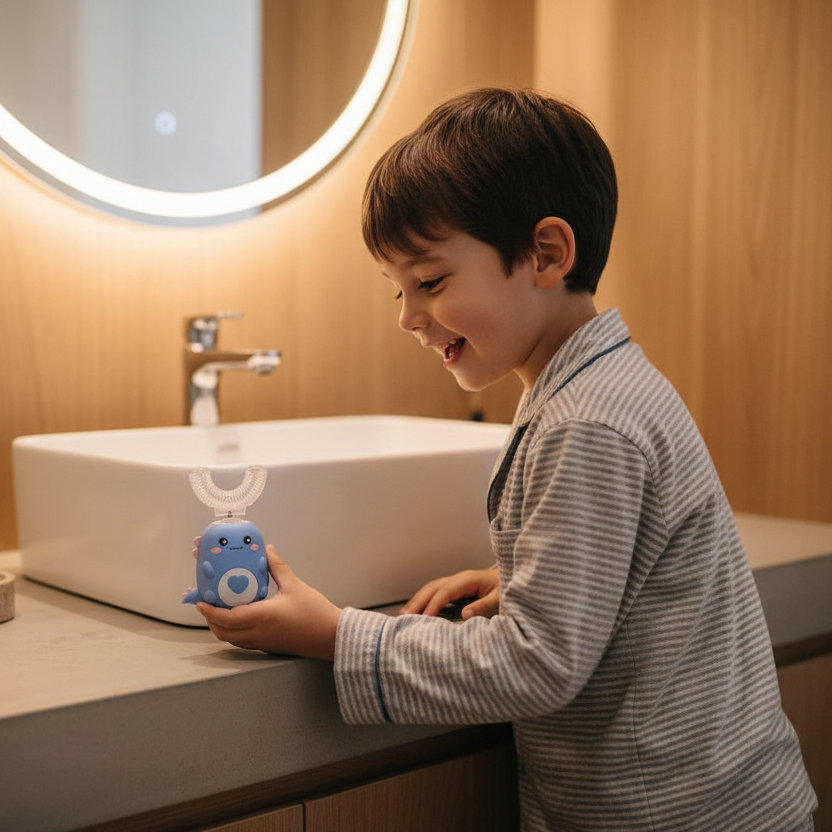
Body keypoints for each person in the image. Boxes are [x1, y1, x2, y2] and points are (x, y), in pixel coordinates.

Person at [198, 88, 817, 831]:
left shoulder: (584, 423)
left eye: (429, 282)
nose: (408, 317)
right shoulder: (601, 383)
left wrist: (332, 633)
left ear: (547, 254)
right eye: (397, 291)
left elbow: (535, 666)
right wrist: (526, 578)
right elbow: (637, 561)